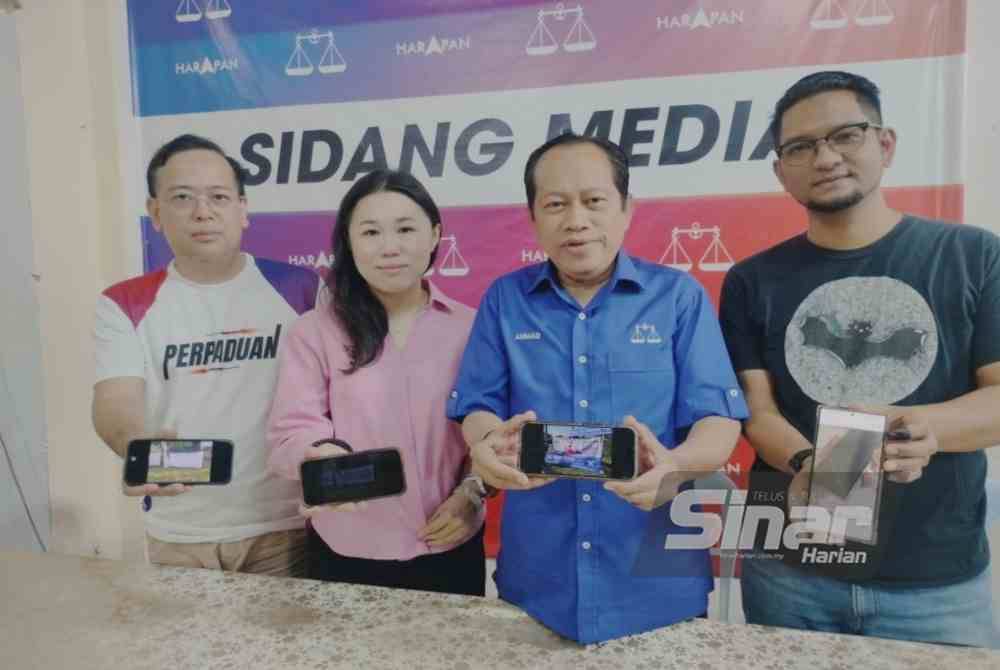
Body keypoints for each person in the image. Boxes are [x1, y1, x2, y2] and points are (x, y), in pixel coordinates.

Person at [719, 71, 1000, 647]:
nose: (825, 158)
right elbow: (757, 412)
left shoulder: (973, 255)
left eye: (845, 135)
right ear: (780, 170)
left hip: (935, 583)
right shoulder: (751, 279)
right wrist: (807, 463)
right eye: (801, 147)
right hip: (788, 570)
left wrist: (925, 428)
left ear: (885, 143)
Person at [447, 133, 748, 643]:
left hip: (658, 581)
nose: (576, 220)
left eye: (594, 200)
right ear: (533, 217)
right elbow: (477, 406)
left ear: (627, 209)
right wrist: (487, 445)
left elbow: (718, 421)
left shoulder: (678, 297)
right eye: (556, 204)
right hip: (538, 584)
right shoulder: (505, 300)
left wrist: (676, 464)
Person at [93, 134, 319, 575]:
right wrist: (138, 447)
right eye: (182, 197)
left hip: (285, 526)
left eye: (218, 197)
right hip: (180, 532)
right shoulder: (124, 303)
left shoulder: (303, 288)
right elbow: (115, 402)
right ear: (155, 213)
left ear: (242, 209)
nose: (203, 212)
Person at [267, 169, 485, 596]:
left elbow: (488, 429)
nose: (389, 247)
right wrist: (320, 458)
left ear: (434, 234)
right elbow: (291, 431)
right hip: (347, 547)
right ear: (349, 243)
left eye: (405, 229)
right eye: (370, 232)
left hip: (451, 544)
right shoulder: (313, 332)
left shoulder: (472, 327)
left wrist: (473, 491)